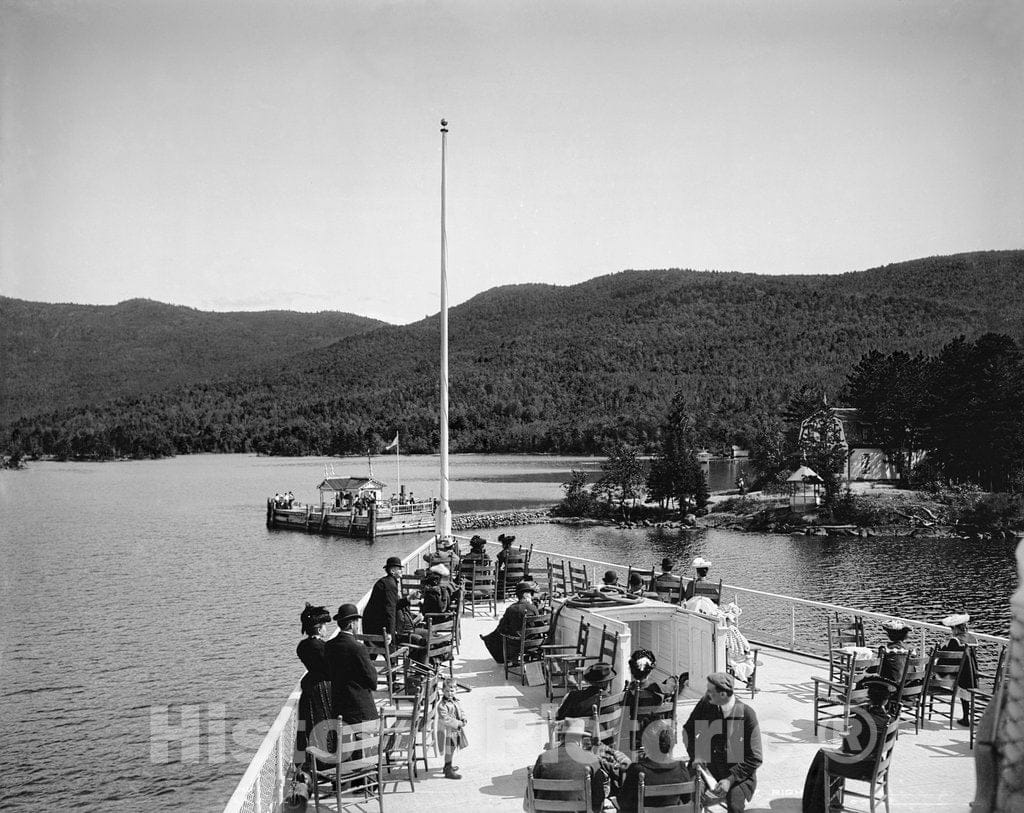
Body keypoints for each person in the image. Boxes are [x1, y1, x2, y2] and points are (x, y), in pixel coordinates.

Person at [800, 676, 895, 812]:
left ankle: (817, 806)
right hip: (877, 765)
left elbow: (850, 747)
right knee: (830, 755)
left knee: (823, 755)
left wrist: (847, 735)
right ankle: (831, 800)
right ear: (886, 700)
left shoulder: (863, 717)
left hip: (862, 766)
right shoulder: (889, 720)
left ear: (869, 697)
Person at [683, 672, 762, 812]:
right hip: (707, 769)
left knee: (735, 804)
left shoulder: (747, 714)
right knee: (690, 797)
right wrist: (696, 755)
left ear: (723, 695)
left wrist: (730, 780)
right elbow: (688, 730)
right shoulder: (705, 704)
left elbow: (755, 757)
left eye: (710, 691)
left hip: (737, 775)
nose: (706, 694)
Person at [531, 717, 608, 813]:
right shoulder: (592, 759)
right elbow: (598, 803)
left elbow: (528, 802)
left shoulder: (544, 757)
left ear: (561, 737)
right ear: (581, 739)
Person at [323, 603, 378, 723]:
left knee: (343, 740)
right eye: (357, 622)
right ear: (352, 623)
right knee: (366, 740)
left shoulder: (329, 646)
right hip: (360, 709)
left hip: (339, 709)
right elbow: (373, 680)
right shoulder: (358, 648)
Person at [617, 727, 692, 812]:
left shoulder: (637, 770)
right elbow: (687, 798)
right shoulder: (681, 767)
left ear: (646, 747)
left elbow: (623, 802)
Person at [295, 603, 333, 763]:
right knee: (325, 723)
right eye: (324, 626)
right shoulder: (324, 647)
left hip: (309, 689)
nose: (326, 629)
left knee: (306, 725)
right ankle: (326, 761)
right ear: (319, 629)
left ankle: (305, 761)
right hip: (323, 689)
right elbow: (330, 668)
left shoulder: (302, 647)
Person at [481, 580, 538, 663]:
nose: (531, 596)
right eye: (530, 593)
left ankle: (498, 652)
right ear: (525, 595)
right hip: (532, 643)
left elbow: (502, 629)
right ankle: (489, 638)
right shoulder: (533, 608)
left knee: (499, 633)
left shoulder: (511, 609)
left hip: (516, 644)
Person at [941, 612, 979, 725]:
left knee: (932, 670)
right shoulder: (972, 638)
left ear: (955, 629)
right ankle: (967, 717)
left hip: (959, 675)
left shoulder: (955, 640)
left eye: (952, 629)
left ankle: (965, 717)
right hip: (972, 673)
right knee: (966, 693)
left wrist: (943, 647)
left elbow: (947, 658)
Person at [362, 556, 403, 643]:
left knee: (373, 653)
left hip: (371, 622)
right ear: (392, 571)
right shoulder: (390, 584)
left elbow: (393, 604)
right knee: (390, 652)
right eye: (399, 568)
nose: (401, 570)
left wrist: (408, 599)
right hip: (378, 625)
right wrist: (390, 633)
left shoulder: (386, 581)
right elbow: (390, 609)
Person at [436, 678, 468, 779]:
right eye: (447, 691)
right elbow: (446, 719)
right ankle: (447, 769)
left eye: (452, 691)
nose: (449, 693)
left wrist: (463, 718)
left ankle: (448, 765)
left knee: (453, 748)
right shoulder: (442, 705)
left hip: (454, 731)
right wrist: (459, 723)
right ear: (443, 691)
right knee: (449, 750)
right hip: (447, 732)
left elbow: (461, 710)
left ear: (456, 690)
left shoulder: (455, 701)